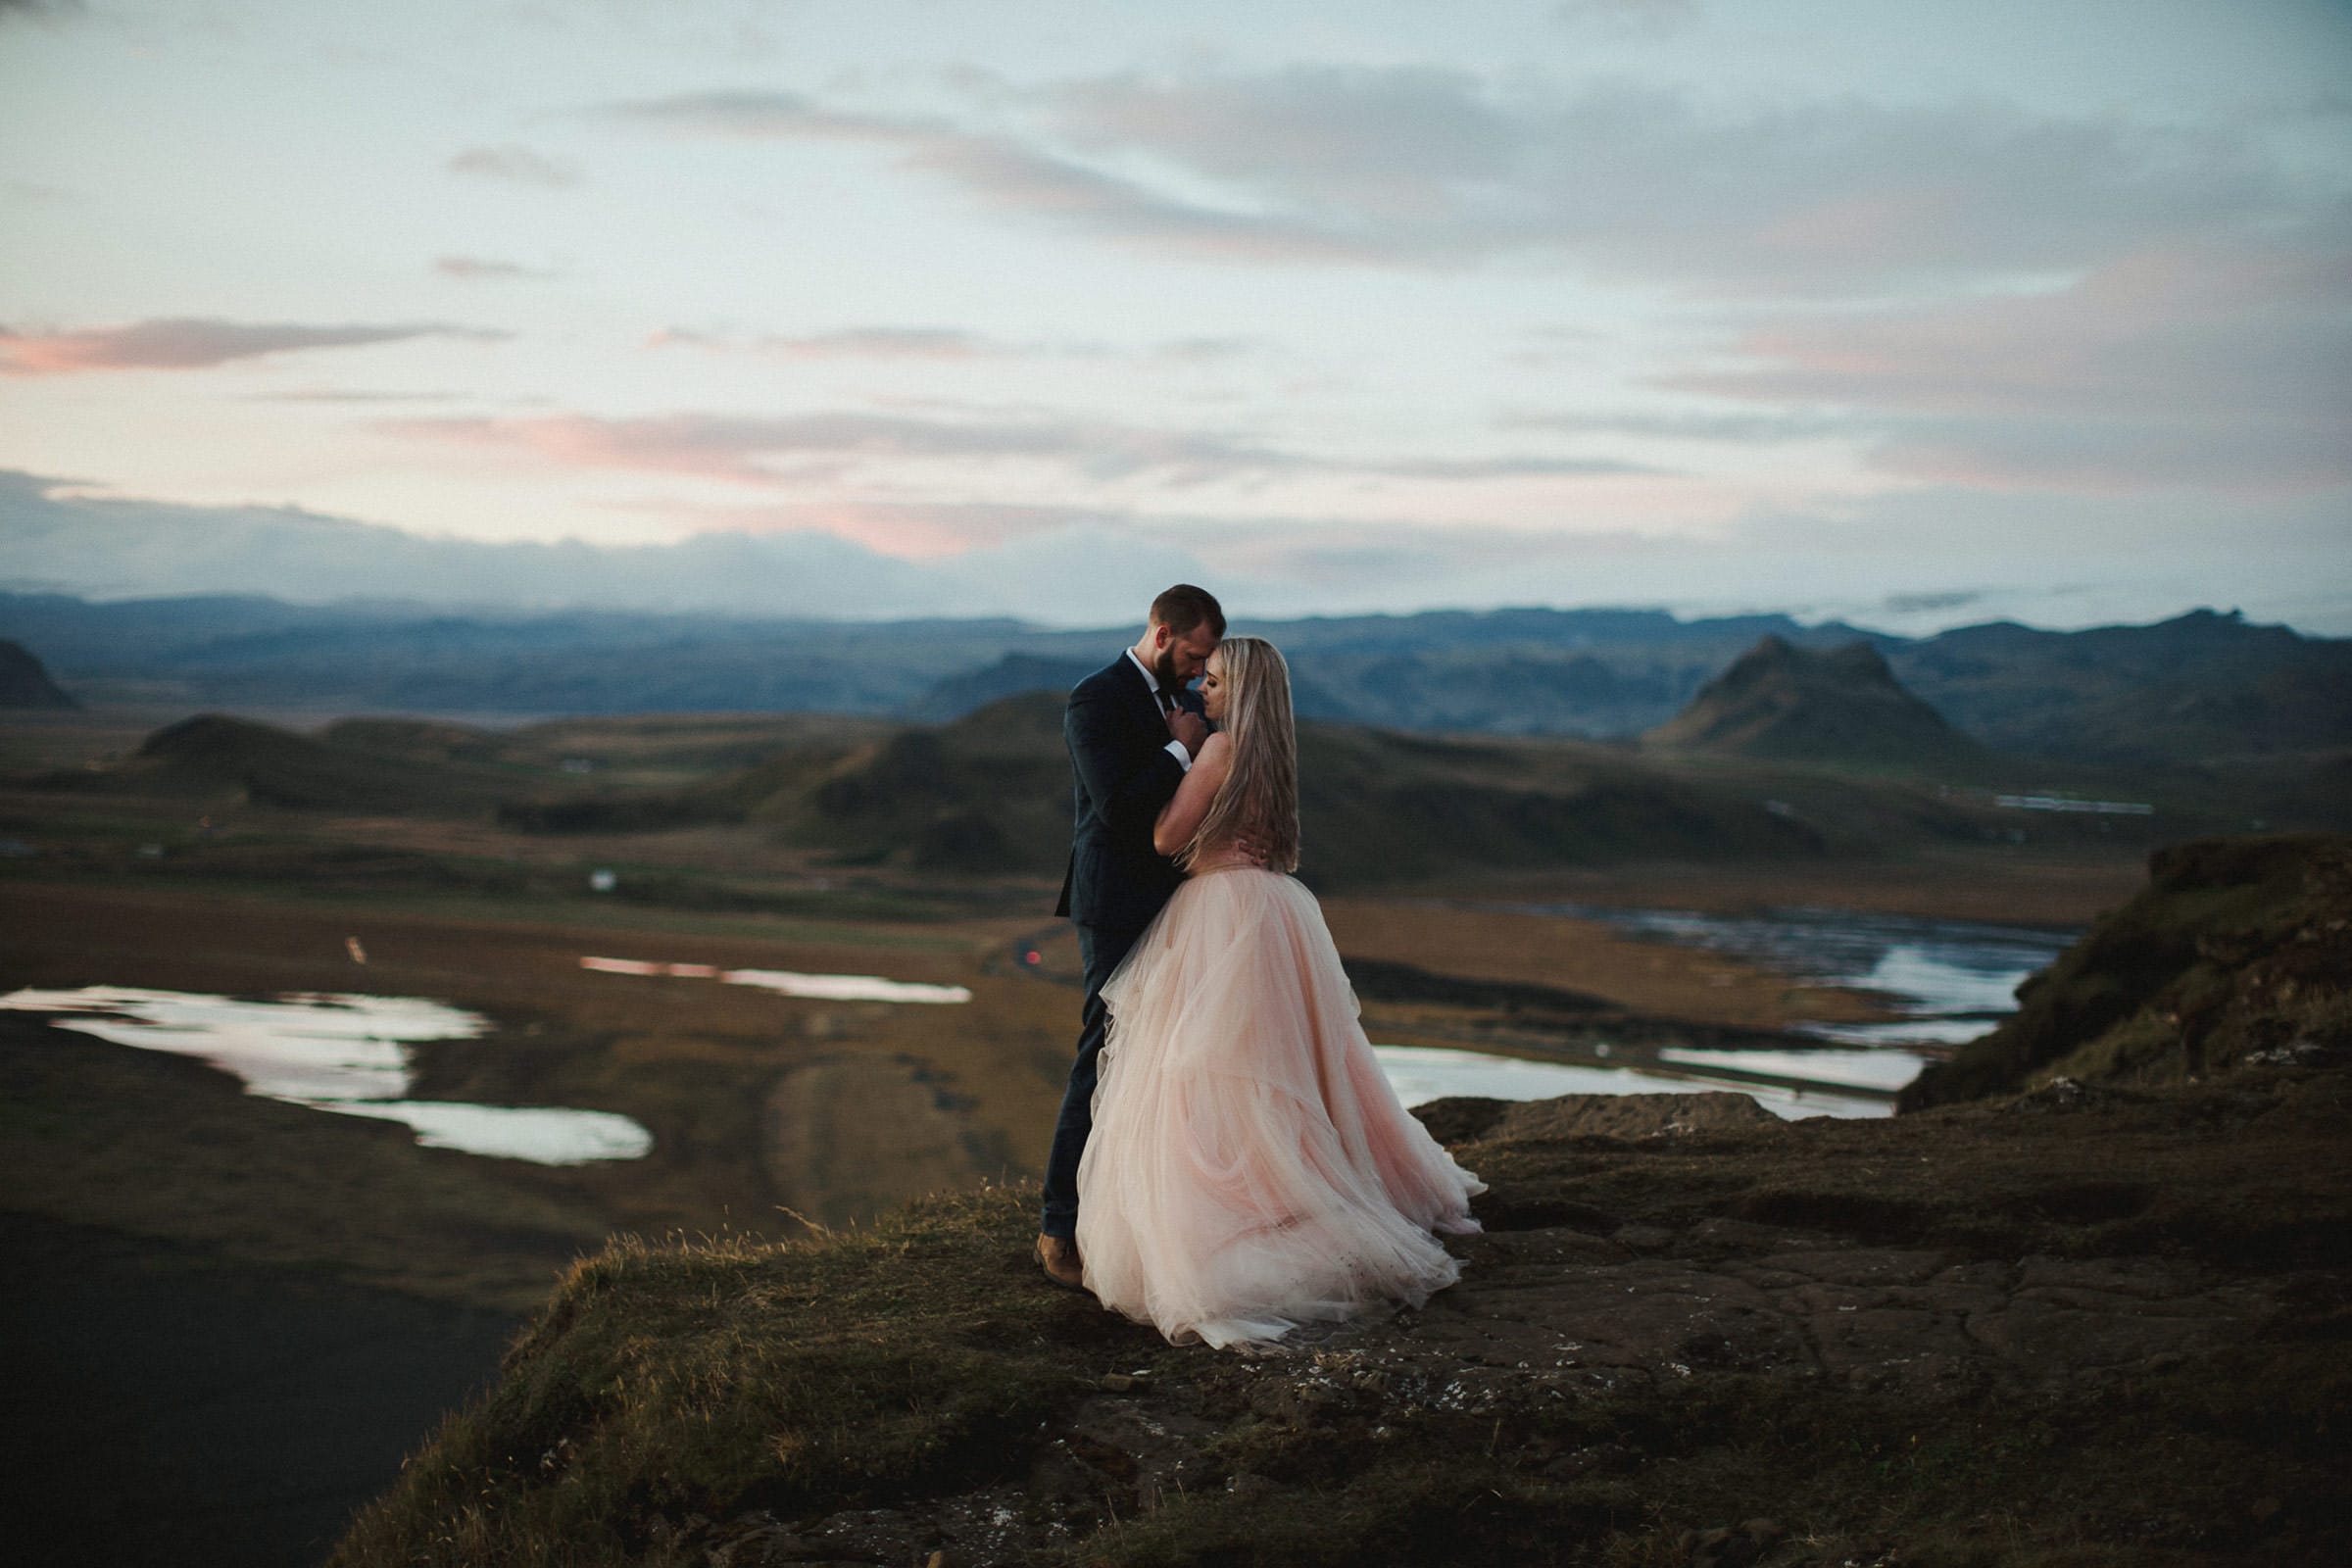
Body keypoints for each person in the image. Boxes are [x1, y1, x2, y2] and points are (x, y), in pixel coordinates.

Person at [1074, 635, 1484, 1349]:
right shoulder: (1275, 753)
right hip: (1277, 908)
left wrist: (1178, 750)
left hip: (1220, 913)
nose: (1204, 688)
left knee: (1210, 1068)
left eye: (1218, 679)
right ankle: (1305, 1180)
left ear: (1246, 690)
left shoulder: (1220, 749)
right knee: (1282, 1060)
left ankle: (1245, 1202)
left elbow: (1170, 836)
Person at [1037, 585, 1226, 1289]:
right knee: (1106, 1052)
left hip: (1178, 901)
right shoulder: (1097, 697)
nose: (1201, 671)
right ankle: (1060, 1225)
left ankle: (1140, 1213)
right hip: (1115, 902)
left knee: (1169, 1060)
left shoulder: (1194, 699)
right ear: (1162, 631)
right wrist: (1180, 750)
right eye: (1195, 654)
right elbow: (1116, 807)